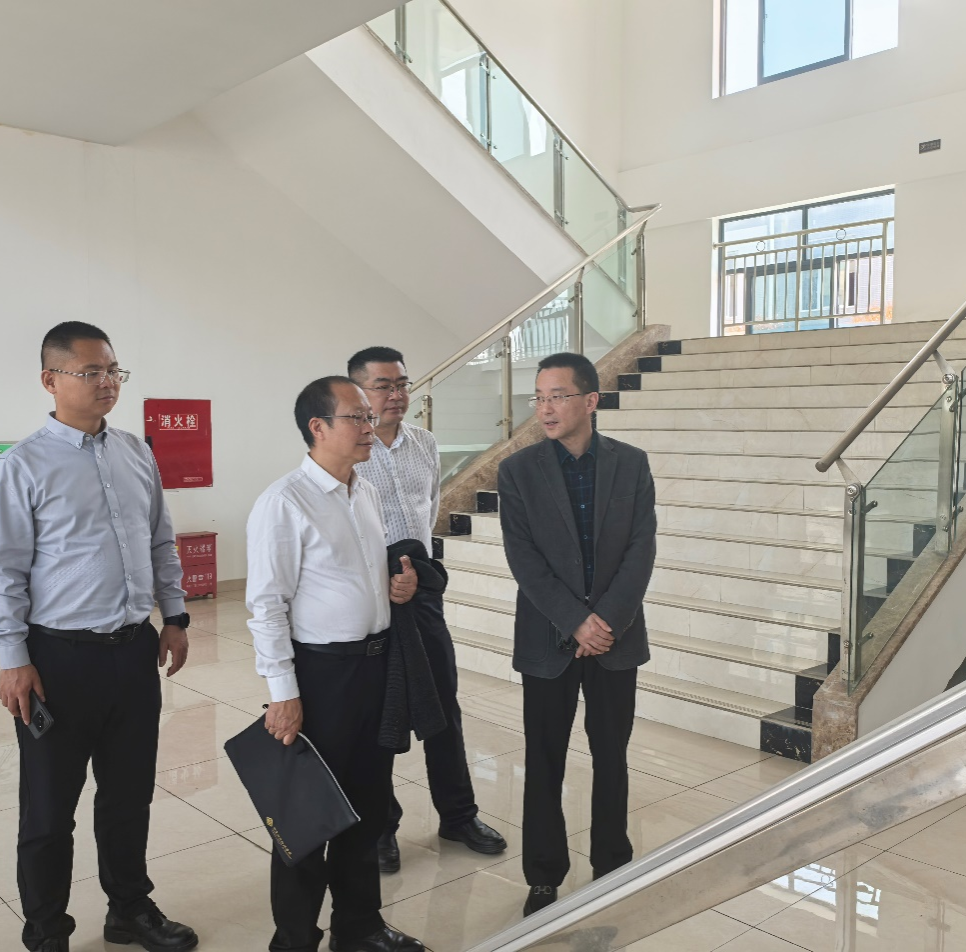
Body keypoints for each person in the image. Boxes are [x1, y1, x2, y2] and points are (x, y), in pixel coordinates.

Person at [0, 321, 198, 952]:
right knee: (49, 809)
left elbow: (161, 541)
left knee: (129, 796)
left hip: (132, 652)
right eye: (91, 372)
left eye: (113, 371)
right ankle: (46, 929)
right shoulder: (22, 464)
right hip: (57, 661)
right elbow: (5, 572)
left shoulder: (135, 452)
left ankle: (129, 909)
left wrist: (175, 617)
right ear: (50, 380)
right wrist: (13, 658)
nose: (107, 382)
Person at [245, 376, 426, 952]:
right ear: (318, 427)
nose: (371, 427)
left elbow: (360, 575)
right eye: (358, 417)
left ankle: (359, 927)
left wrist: (396, 588)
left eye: (370, 417)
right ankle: (294, 939)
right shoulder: (285, 502)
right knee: (307, 817)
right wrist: (283, 692)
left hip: (374, 667)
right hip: (322, 676)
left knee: (366, 807)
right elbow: (267, 605)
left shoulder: (364, 491)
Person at [496, 352, 657, 917]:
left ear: (590, 401)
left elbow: (641, 548)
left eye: (558, 396)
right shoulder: (517, 471)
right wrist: (575, 621)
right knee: (544, 760)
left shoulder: (631, 464)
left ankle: (612, 864)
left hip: (616, 638)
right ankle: (544, 876)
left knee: (612, 756)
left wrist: (605, 621)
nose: (545, 408)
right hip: (548, 639)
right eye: (539, 398)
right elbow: (524, 559)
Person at [347, 346, 507, 872]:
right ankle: (380, 828)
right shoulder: (350, 450)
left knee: (443, 704)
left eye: (402, 384)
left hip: (422, 591)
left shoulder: (425, 443)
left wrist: (417, 573)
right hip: (370, 598)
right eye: (383, 386)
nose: (396, 395)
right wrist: (384, 578)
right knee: (378, 714)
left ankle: (458, 815)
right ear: (358, 393)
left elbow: (429, 512)